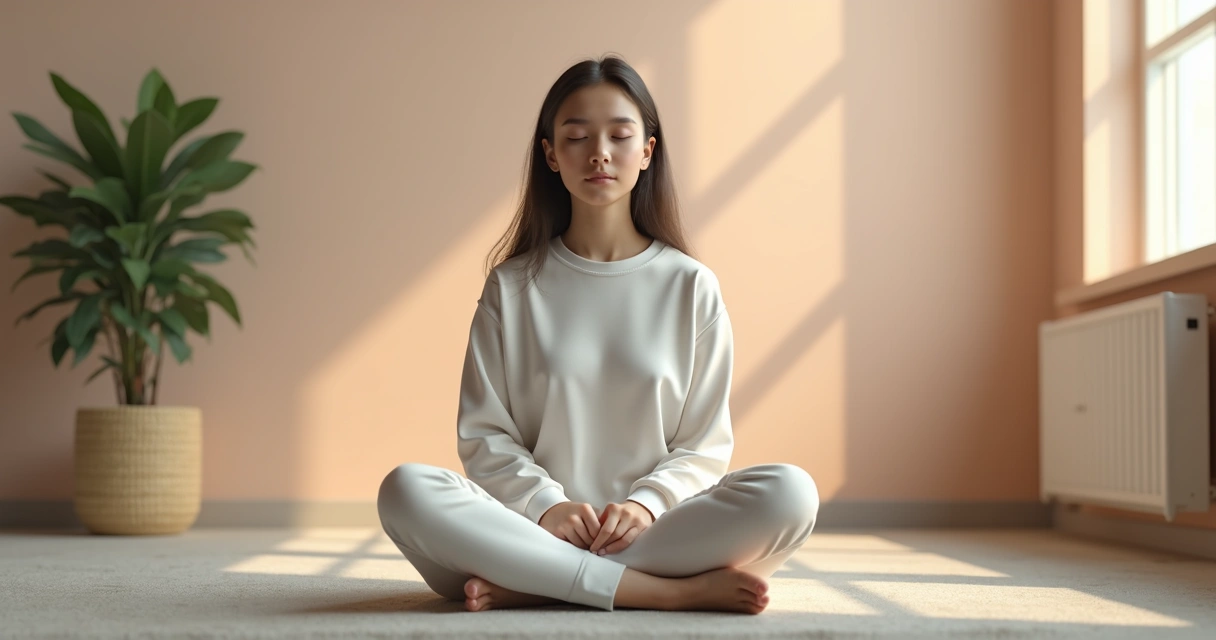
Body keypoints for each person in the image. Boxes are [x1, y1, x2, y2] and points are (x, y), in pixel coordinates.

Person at [377, 53, 819, 614]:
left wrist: (647, 505)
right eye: (577, 136)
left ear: (647, 151)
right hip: (531, 530)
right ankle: (661, 592)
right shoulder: (512, 287)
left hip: (653, 533)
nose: (599, 153)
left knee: (790, 493)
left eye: (619, 135)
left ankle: (533, 585)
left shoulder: (690, 286)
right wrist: (546, 508)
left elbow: (703, 446)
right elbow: (485, 437)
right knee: (406, 490)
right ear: (551, 155)